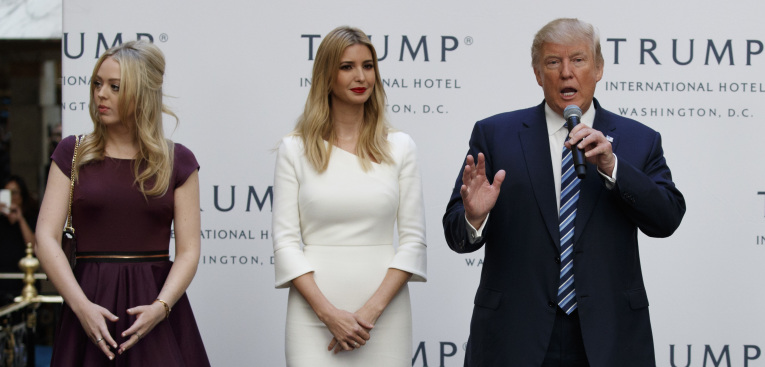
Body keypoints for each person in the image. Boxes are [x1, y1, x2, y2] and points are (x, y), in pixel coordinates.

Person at [442, 18, 686, 367]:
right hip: (515, 334)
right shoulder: (495, 134)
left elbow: (666, 219)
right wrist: (474, 217)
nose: (566, 73)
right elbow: (456, 236)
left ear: (599, 67)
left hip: (608, 336)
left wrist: (613, 167)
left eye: (578, 59)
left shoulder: (638, 139)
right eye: (553, 62)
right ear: (538, 73)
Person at [34, 41, 210, 366]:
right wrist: (80, 306)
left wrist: (161, 307)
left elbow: (189, 250)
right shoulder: (72, 153)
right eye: (98, 83)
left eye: (115, 87)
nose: (101, 94)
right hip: (88, 302)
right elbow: (45, 237)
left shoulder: (177, 161)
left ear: (142, 94)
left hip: (155, 309)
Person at [272, 26, 427, 367]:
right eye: (346, 67)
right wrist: (329, 314)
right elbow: (284, 244)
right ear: (326, 76)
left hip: (384, 318)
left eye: (368, 66)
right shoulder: (294, 149)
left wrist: (368, 314)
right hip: (314, 316)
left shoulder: (400, 147)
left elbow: (414, 243)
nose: (361, 76)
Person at [0, 175, 39, 302]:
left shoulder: (31, 217)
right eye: (6, 193)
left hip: (24, 282)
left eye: (14, 192)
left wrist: (20, 219)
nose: (11, 197)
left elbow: (34, 247)